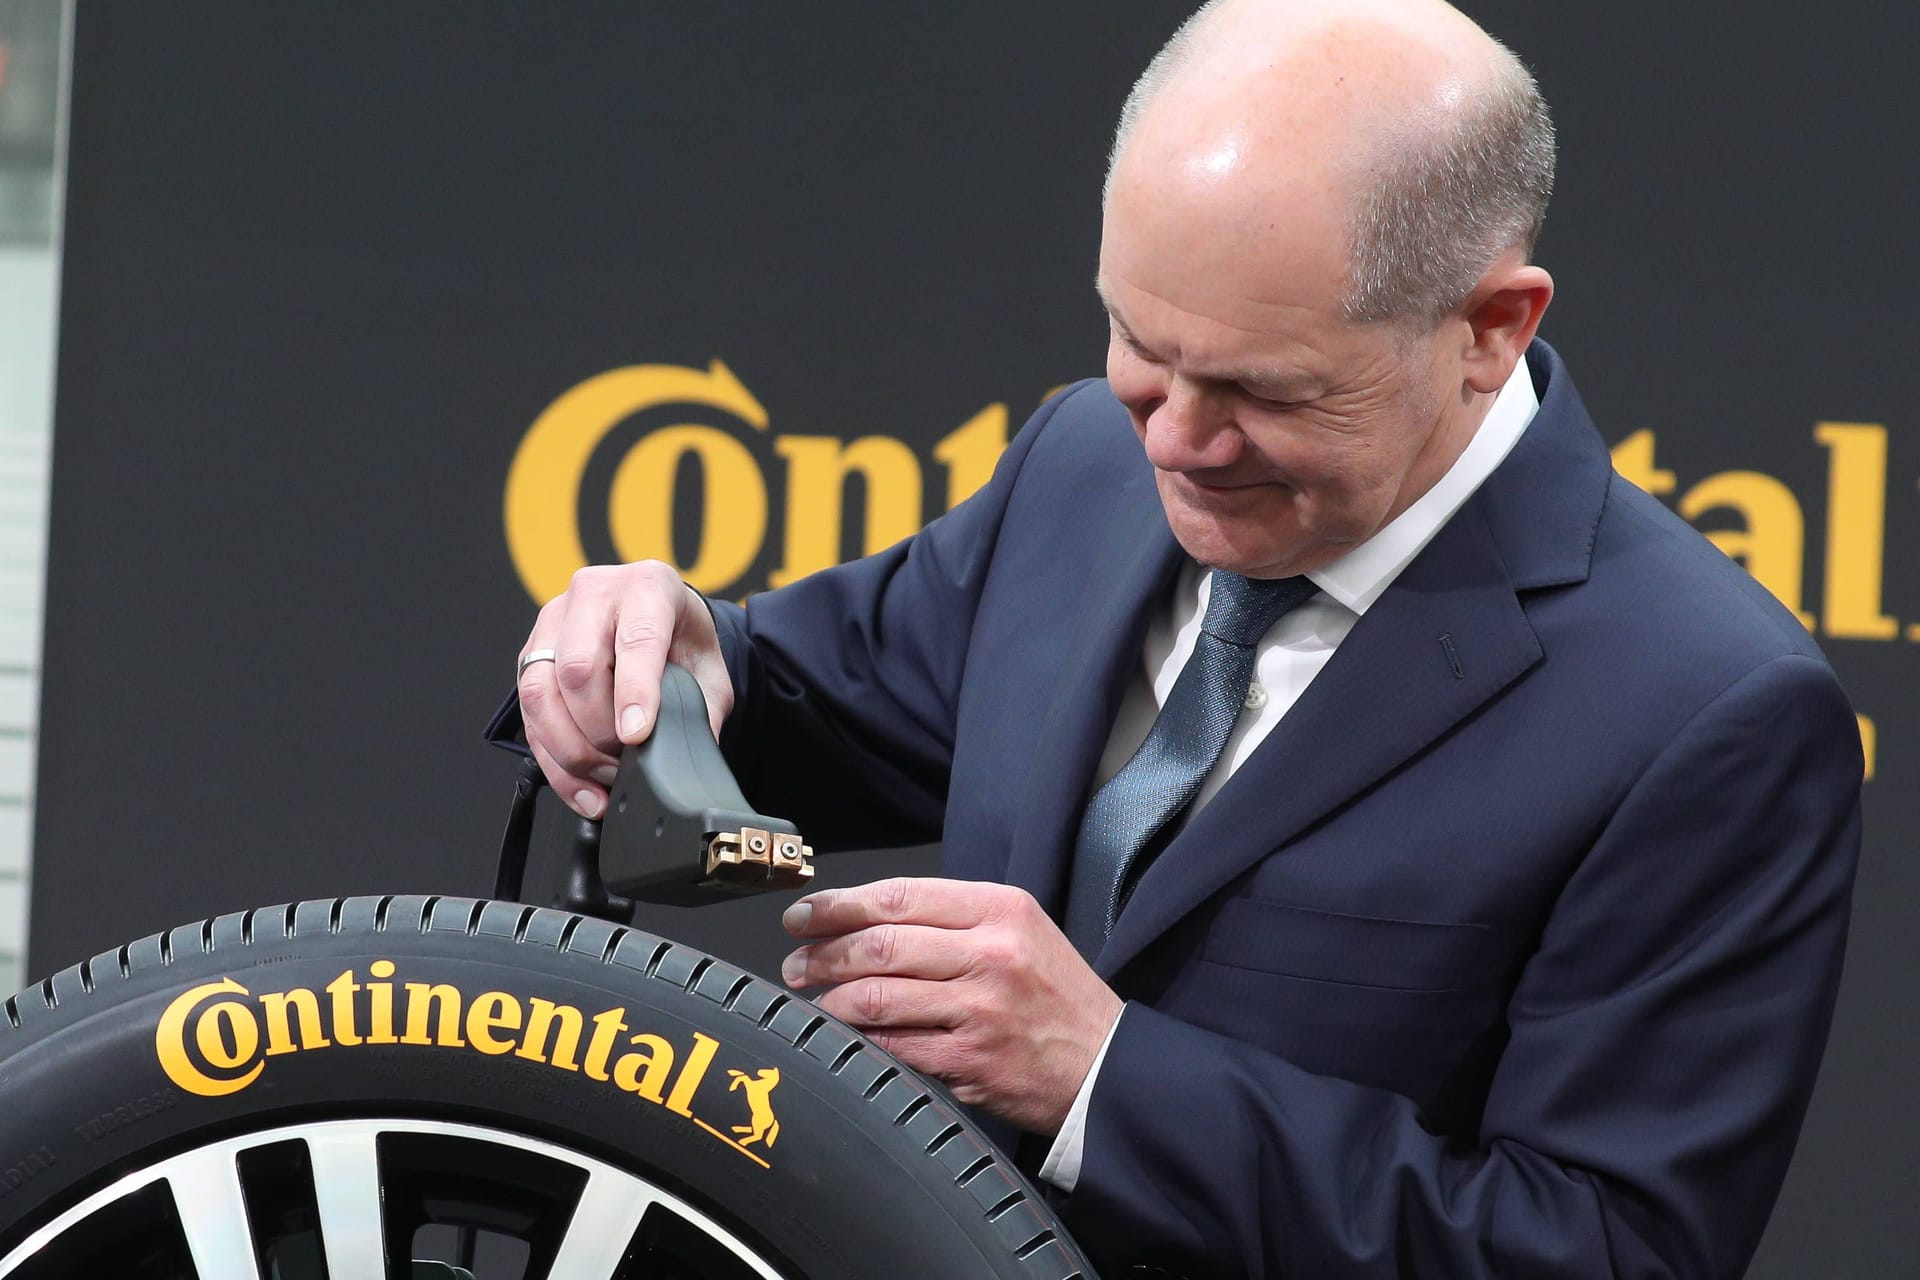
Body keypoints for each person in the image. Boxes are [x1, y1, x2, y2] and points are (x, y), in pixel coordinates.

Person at [508, 0, 1863, 1274]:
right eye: (1139, 341)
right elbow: (827, 701)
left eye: (1263, 391)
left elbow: (1601, 1250)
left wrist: (1104, 1075)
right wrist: (669, 660)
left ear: (1491, 331)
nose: (1175, 440)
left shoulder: (1707, 711)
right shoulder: (1081, 463)